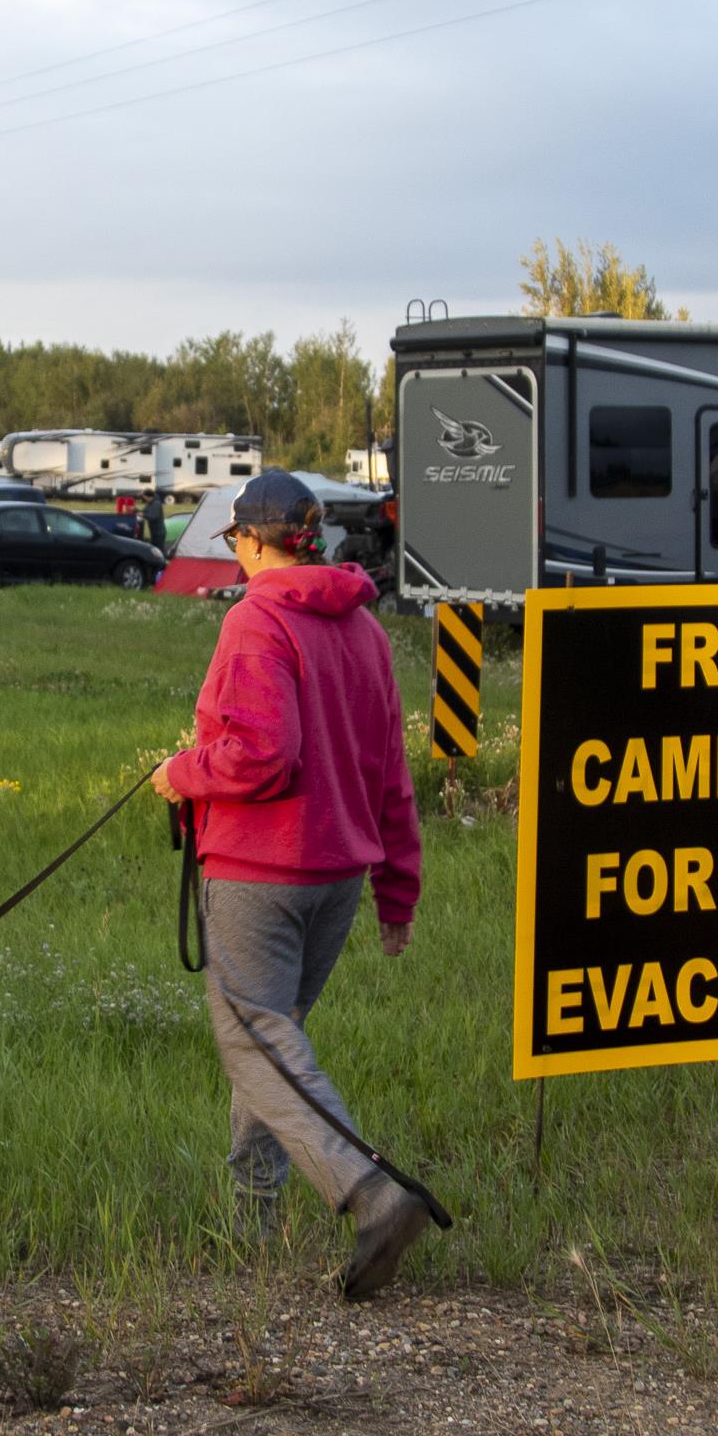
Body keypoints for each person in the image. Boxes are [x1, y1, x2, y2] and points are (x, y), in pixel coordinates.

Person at [152, 468, 434, 1298]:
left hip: (260, 871)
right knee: (274, 1041)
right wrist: (398, 891)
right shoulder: (366, 630)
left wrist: (180, 772)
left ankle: (372, 1191)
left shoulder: (255, 619)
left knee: (255, 1040)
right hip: (339, 876)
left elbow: (261, 754)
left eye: (236, 540)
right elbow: (391, 776)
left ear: (250, 540)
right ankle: (251, 1222)